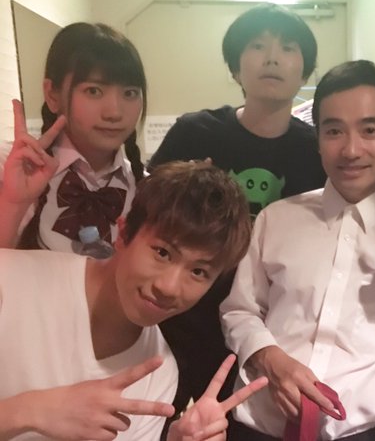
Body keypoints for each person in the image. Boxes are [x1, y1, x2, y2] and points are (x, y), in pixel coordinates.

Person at [221, 60, 375, 441]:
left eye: (370, 130)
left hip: (360, 433)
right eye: (333, 131)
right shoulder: (276, 219)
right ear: (317, 139)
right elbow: (239, 310)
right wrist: (270, 358)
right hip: (258, 428)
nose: (350, 149)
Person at [0, 160, 268, 441]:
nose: (169, 287)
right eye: (162, 253)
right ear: (124, 233)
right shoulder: (12, 281)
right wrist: (32, 410)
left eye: (199, 272)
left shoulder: (159, 373)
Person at [148, 3, 326, 415]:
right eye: (257, 45)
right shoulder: (195, 132)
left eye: (288, 48)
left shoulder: (316, 151)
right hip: (181, 315)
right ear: (235, 68)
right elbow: (149, 211)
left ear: (304, 73)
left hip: (265, 327)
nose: (272, 57)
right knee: (161, 418)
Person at [0, 22, 146, 251]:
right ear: (52, 95)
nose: (115, 112)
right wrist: (13, 203)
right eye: (94, 91)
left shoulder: (145, 187)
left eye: (130, 93)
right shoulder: (8, 168)